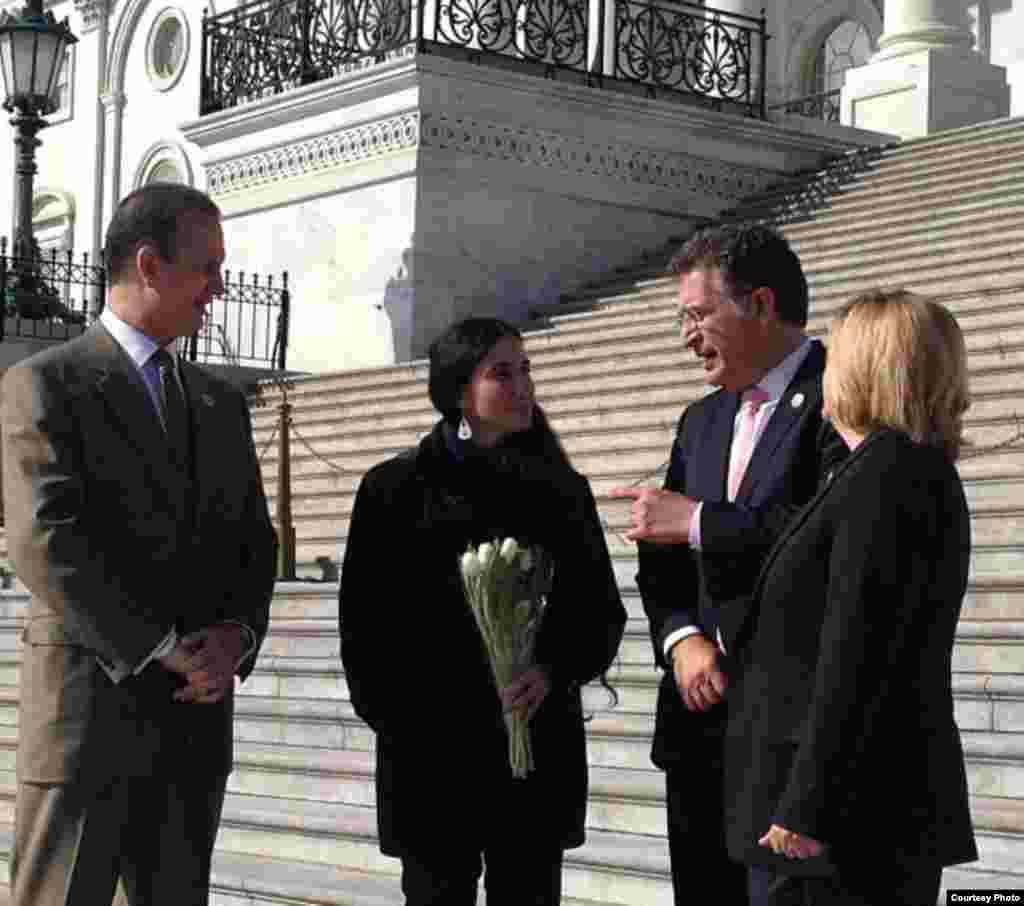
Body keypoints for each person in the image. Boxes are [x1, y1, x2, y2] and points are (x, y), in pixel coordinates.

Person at [0, 183, 278, 905]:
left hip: (192, 731)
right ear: (150, 265)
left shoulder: (218, 405)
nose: (218, 289)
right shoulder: (44, 385)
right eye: (207, 267)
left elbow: (254, 539)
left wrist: (237, 636)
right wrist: (158, 644)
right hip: (88, 727)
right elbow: (44, 540)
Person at [339, 316, 626, 906]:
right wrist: (415, 726)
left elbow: (600, 612)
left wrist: (549, 670)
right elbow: (365, 637)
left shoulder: (562, 491)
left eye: (526, 371)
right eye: (502, 374)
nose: (522, 386)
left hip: (533, 766)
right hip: (433, 770)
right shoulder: (393, 492)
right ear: (458, 393)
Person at [610, 223, 846, 903]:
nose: (687, 336)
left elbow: (827, 540)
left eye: (697, 314)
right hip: (700, 731)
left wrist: (700, 521)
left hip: (791, 739)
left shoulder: (842, 397)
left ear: (762, 305)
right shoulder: (700, 420)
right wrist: (680, 640)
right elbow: (661, 556)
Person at [723, 289, 978, 906]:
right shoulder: (888, 469)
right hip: (857, 812)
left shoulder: (890, 475)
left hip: (846, 825)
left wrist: (809, 801)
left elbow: (856, 648)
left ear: (865, 365)